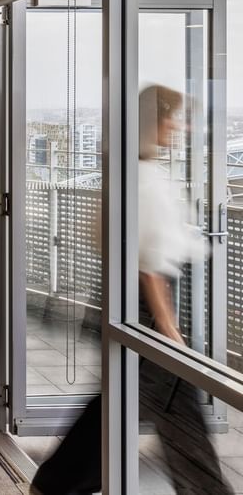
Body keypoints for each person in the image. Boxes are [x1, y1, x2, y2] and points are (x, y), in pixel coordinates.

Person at [30, 85, 230, 494]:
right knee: (178, 415)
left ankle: (56, 483)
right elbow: (148, 266)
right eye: (173, 116)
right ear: (153, 121)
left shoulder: (135, 169)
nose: (180, 125)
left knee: (115, 404)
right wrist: (169, 331)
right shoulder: (140, 176)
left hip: (132, 301)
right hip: (147, 306)